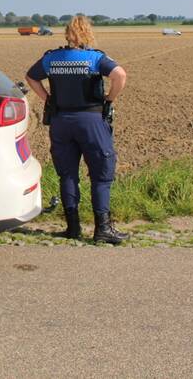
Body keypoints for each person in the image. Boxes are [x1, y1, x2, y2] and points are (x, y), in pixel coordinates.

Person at [24, 15, 129, 244]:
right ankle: (103, 228)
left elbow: (31, 77)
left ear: (67, 33)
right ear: (88, 33)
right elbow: (119, 75)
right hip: (90, 121)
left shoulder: (52, 58)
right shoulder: (95, 58)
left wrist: (48, 99)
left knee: (68, 174)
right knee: (101, 174)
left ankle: (73, 228)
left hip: (61, 121)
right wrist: (109, 100)